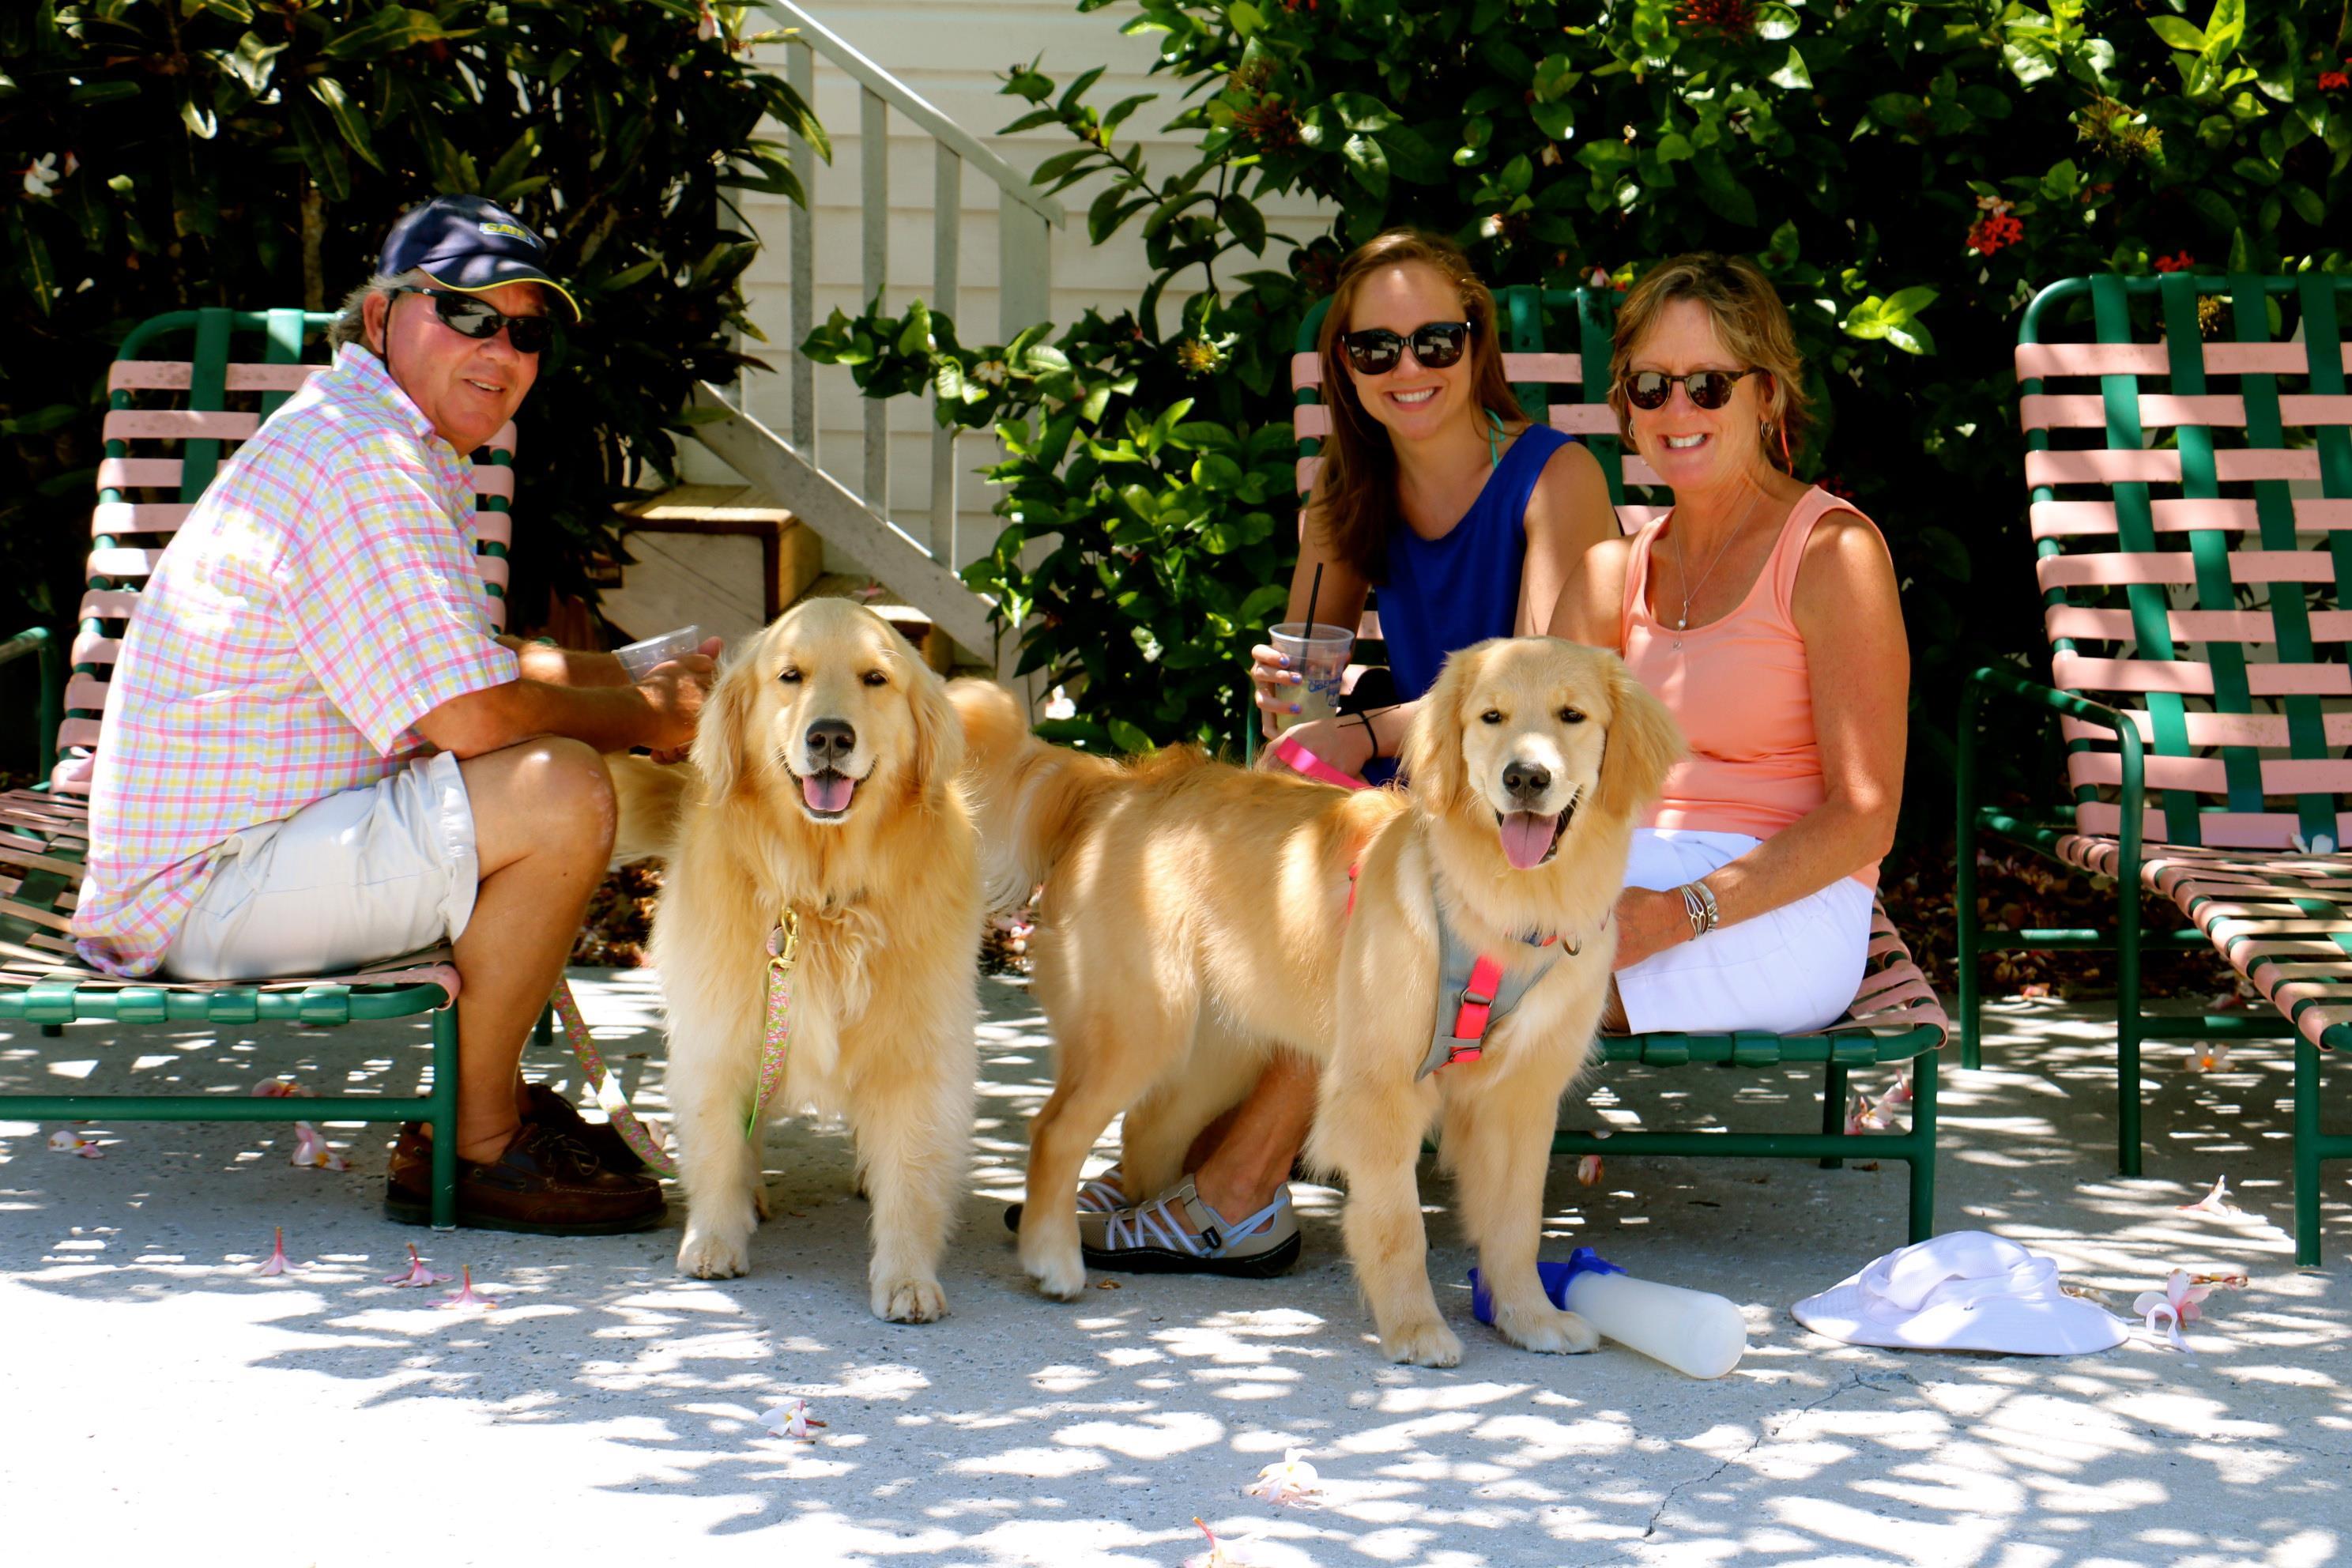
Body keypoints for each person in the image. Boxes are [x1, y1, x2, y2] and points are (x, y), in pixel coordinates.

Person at [73, 194, 716, 1235]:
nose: (500, 350)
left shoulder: (375, 434)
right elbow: (470, 715)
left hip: (234, 858)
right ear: (380, 316)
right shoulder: (362, 462)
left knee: (551, 765)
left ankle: (484, 1103)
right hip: (207, 889)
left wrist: (635, 674)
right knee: (558, 791)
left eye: (526, 332)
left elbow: (462, 665)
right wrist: (651, 711)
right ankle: (476, 1141)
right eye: (466, 312)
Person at [1073, 229, 1620, 1274]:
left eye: (1434, 341)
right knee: (1235, 855)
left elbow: (1542, 703)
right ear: (1346, 368)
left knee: (1361, 902)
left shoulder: (1557, 479)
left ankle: (1238, 1190)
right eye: (1376, 349)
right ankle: (1171, 1160)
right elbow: (1309, 670)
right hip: (1407, 784)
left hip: (1524, 806)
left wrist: (1359, 731)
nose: (1408, 368)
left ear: (1477, 344)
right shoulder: (1350, 487)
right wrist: (1292, 704)